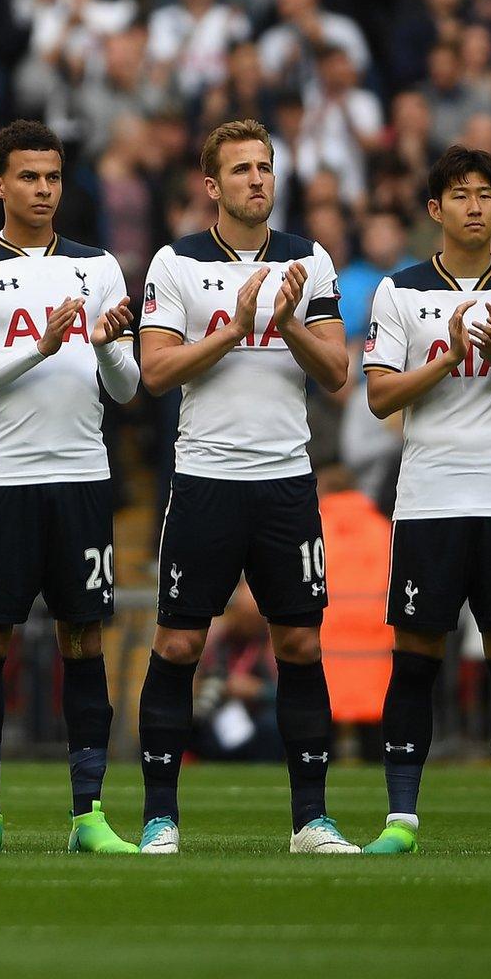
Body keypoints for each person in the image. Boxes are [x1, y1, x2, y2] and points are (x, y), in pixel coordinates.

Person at [132, 119, 358, 854]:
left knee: (298, 641)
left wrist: (286, 323)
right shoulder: (176, 263)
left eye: (265, 166)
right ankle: (161, 817)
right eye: (241, 170)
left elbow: (336, 375)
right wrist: (235, 327)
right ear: (212, 186)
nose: (257, 179)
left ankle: (311, 821)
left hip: (286, 480)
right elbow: (154, 373)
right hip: (205, 478)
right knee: (177, 642)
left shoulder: (309, 260)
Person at [0, 120, 139, 855]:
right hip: (4, 483)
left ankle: (88, 814)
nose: (43, 190)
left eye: (51, 178)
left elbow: (127, 386)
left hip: (81, 480)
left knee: (83, 638)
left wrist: (109, 345)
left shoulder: (99, 266)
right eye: (28, 177)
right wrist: (37, 349)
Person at [359, 145, 491, 855]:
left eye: (485, 194)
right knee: (415, 655)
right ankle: (400, 820)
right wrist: (448, 354)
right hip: (429, 498)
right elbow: (380, 393)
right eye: (459, 195)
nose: (473, 206)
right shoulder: (400, 292)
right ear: (434, 210)